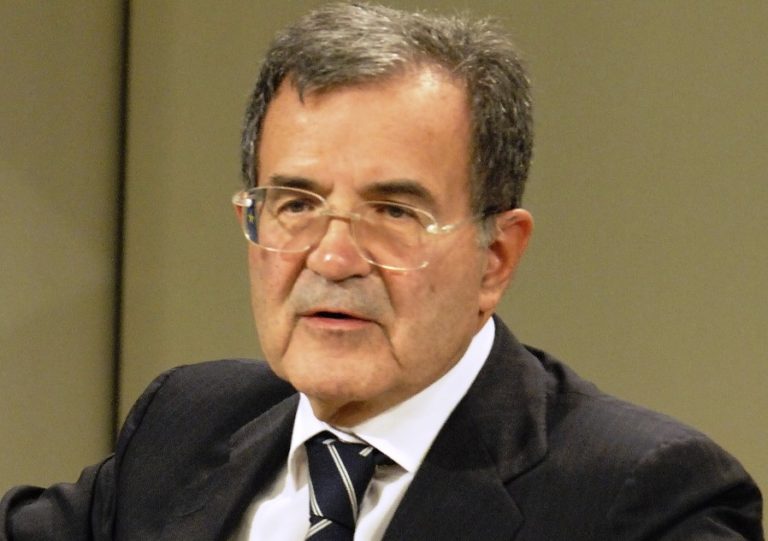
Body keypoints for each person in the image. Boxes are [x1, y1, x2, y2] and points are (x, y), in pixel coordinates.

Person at [1, 3, 763, 540]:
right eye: (296, 204)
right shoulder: (185, 426)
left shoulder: (642, 499)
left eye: (394, 212)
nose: (333, 258)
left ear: (496, 256)